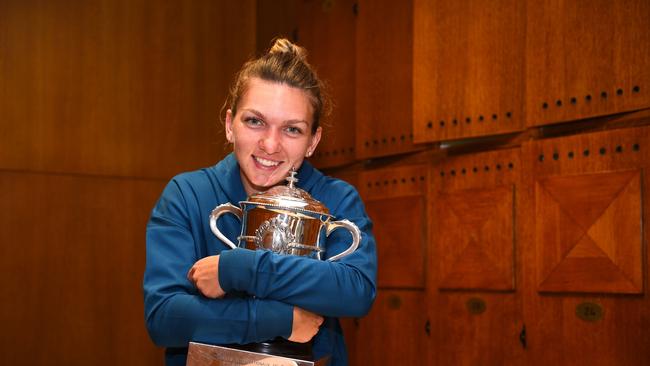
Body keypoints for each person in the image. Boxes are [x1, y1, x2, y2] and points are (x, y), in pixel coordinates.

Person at [143, 38, 377, 366]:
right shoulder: (187, 194)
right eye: (255, 121)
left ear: (313, 141)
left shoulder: (335, 198)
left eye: (292, 130)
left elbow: (356, 291)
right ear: (229, 124)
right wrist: (279, 318)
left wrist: (238, 269)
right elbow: (165, 319)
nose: (270, 144)